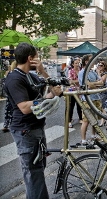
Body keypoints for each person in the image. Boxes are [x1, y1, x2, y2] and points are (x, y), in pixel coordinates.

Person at [4, 42, 62, 198]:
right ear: (31, 58)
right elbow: (23, 107)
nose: (39, 59)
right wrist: (44, 100)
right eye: (37, 57)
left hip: (36, 128)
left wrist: (43, 72)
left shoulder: (33, 76)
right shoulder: (14, 79)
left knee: (38, 168)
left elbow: (57, 91)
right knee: (33, 173)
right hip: (25, 130)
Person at [78, 54, 103, 145]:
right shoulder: (82, 73)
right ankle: (83, 139)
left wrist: (94, 84)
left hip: (96, 98)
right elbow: (88, 85)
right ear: (86, 62)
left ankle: (93, 136)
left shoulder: (93, 72)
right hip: (87, 99)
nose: (94, 61)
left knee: (95, 119)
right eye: (92, 60)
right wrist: (95, 84)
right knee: (86, 120)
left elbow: (101, 82)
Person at [1, 61, 17, 133]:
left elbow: (4, 83)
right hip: (17, 94)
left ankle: (6, 124)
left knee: (8, 109)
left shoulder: (9, 73)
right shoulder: (19, 74)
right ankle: (12, 124)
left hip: (10, 94)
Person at [67, 57, 83, 127]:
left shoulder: (81, 70)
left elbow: (83, 80)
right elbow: (70, 81)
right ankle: (69, 121)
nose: (77, 64)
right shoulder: (70, 71)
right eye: (75, 63)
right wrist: (78, 81)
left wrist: (76, 81)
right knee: (71, 106)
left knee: (80, 105)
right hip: (72, 91)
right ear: (72, 64)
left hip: (80, 90)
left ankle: (80, 118)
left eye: (78, 63)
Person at [96, 60, 107, 130]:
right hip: (99, 91)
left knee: (104, 108)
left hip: (104, 92)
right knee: (102, 108)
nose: (99, 66)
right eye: (98, 65)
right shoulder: (98, 73)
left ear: (104, 66)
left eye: (101, 65)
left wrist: (98, 73)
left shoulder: (106, 73)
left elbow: (101, 81)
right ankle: (103, 121)